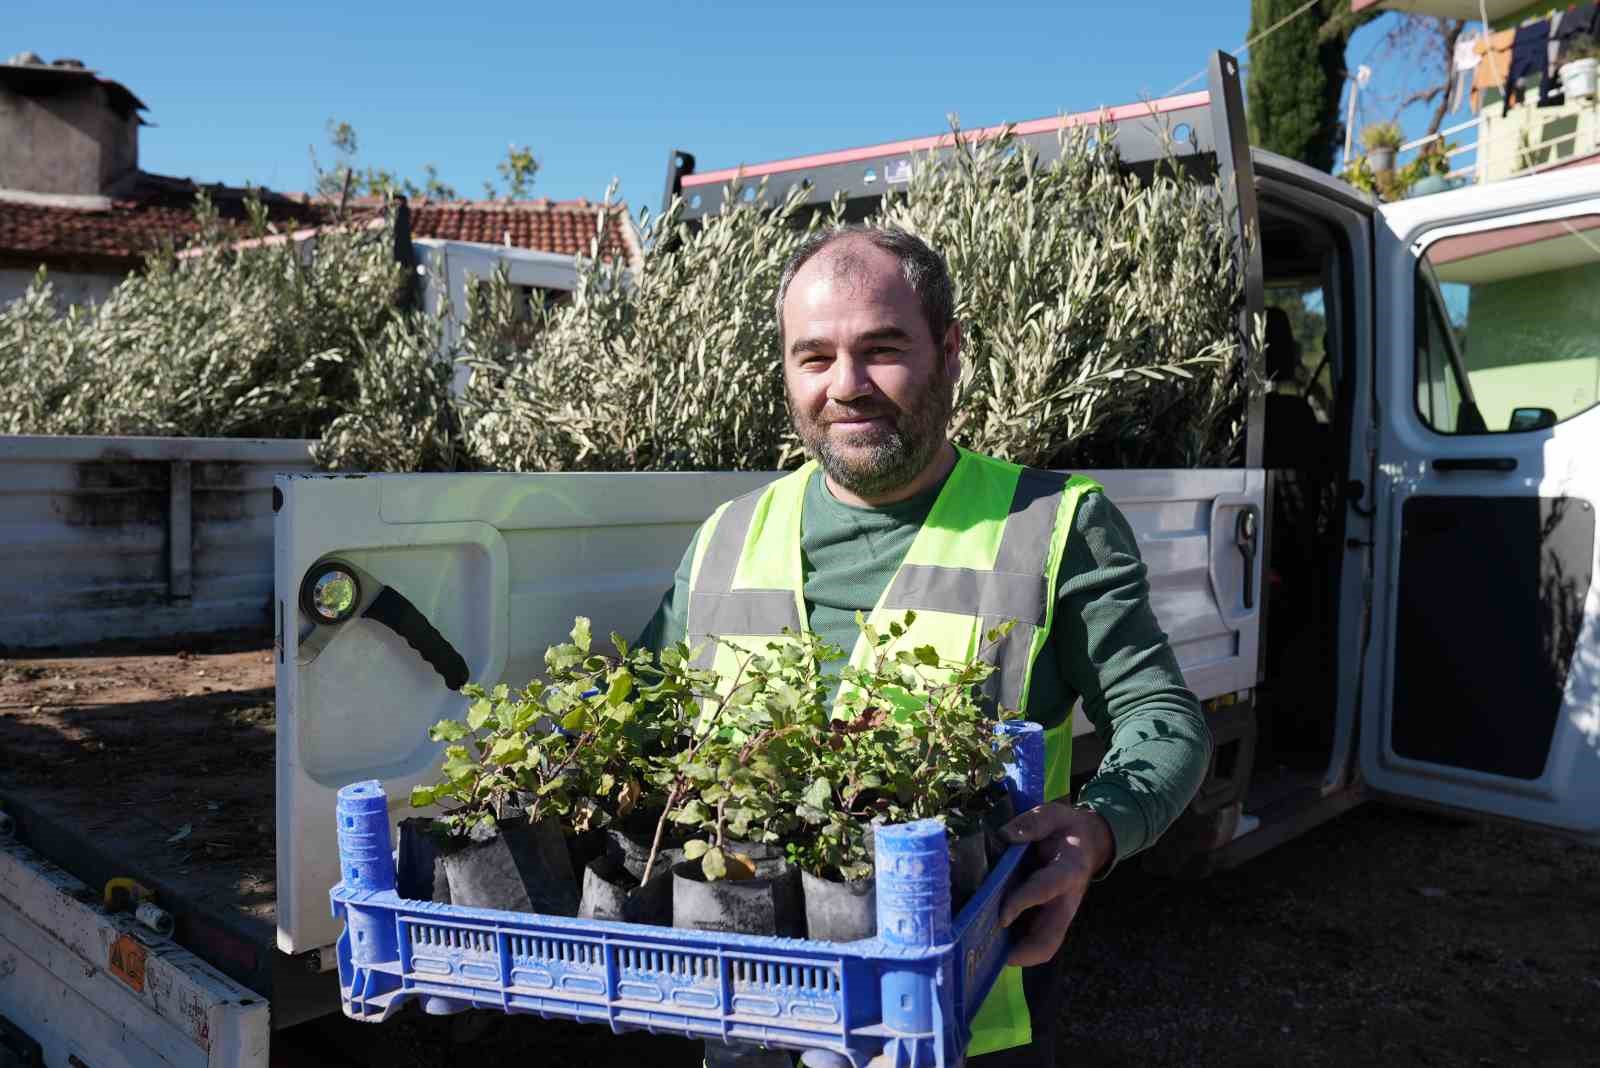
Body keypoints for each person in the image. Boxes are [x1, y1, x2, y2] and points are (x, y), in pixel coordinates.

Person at [638, 225, 1212, 1066]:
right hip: (752, 1008)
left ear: (949, 351)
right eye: (814, 358)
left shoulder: (1053, 526)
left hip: (960, 1017)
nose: (846, 386)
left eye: (881, 349)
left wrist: (1100, 828)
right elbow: (644, 734)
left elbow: (1162, 715)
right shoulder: (726, 536)